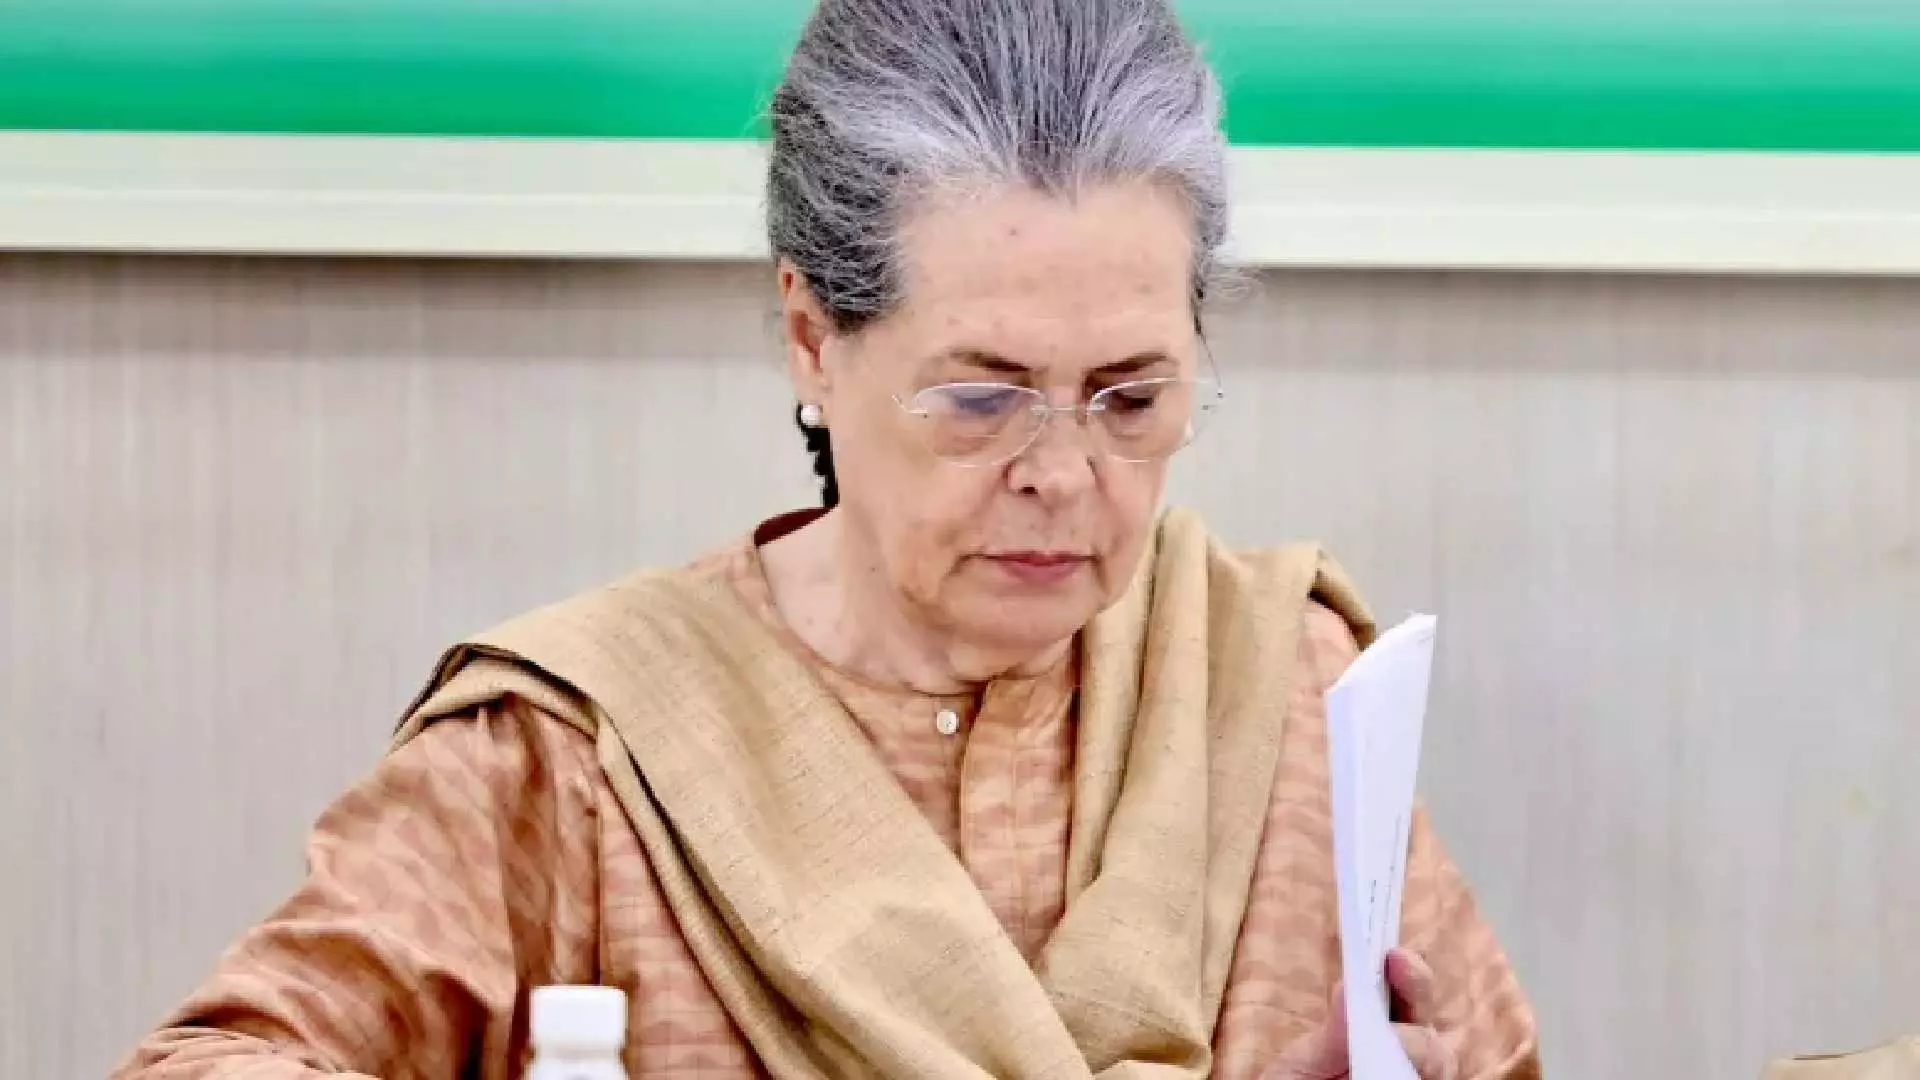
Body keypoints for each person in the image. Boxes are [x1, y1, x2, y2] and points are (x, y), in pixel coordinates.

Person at [112, 1, 1540, 1077]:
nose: (1062, 475)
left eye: (1131, 398)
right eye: (980, 399)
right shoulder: (580, 757)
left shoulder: (1285, 692)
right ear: (813, 338)